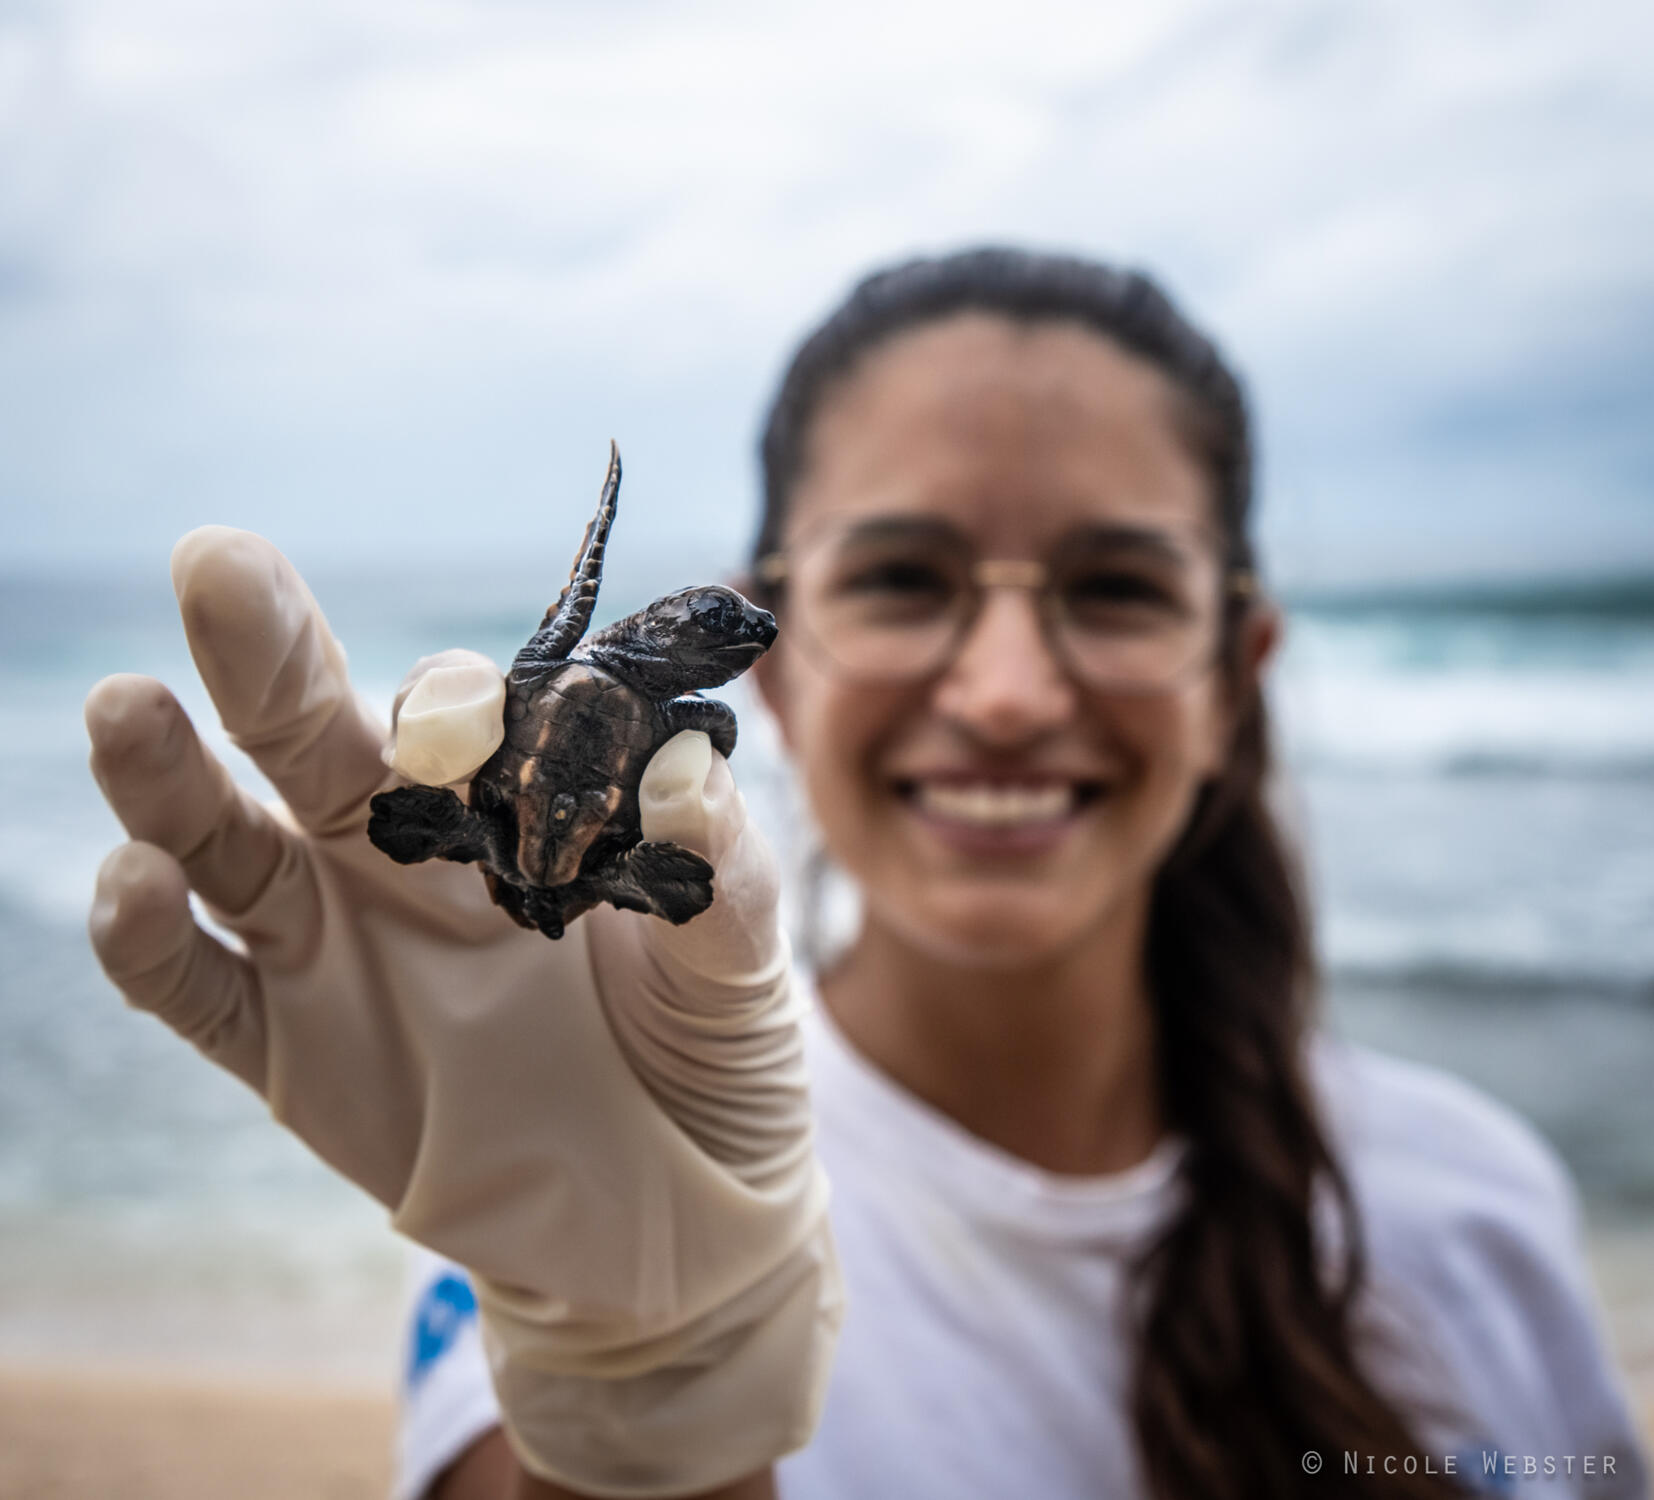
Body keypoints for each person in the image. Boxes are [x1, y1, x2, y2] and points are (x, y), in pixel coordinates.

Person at [87, 248, 1649, 1500]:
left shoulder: (1479, 1215)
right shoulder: (602, 1175)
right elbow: (568, 632)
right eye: (902, 578)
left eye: (1115, 586)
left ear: (1236, 670)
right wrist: (643, 1391)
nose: (1007, 693)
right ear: (778, 667)